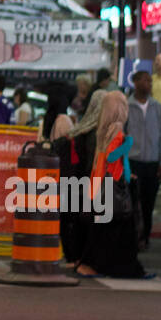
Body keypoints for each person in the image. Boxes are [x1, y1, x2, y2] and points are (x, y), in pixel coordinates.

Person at [75, 91, 149, 279]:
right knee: (113, 230)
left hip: (99, 184)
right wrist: (128, 144)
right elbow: (112, 156)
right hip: (113, 186)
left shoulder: (103, 128)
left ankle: (89, 264)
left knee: (100, 229)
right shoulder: (116, 128)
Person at [57, 88, 100, 269]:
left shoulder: (81, 128)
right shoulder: (94, 132)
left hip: (75, 181)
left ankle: (73, 256)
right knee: (79, 222)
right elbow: (90, 161)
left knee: (73, 221)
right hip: (84, 183)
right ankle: (76, 257)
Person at [126, 69, 161, 250]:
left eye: (150, 81)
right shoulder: (127, 106)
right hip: (133, 161)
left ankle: (146, 235)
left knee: (149, 202)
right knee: (133, 201)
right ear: (135, 82)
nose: (148, 84)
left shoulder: (157, 107)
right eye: (145, 81)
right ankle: (134, 236)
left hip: (152, 161)